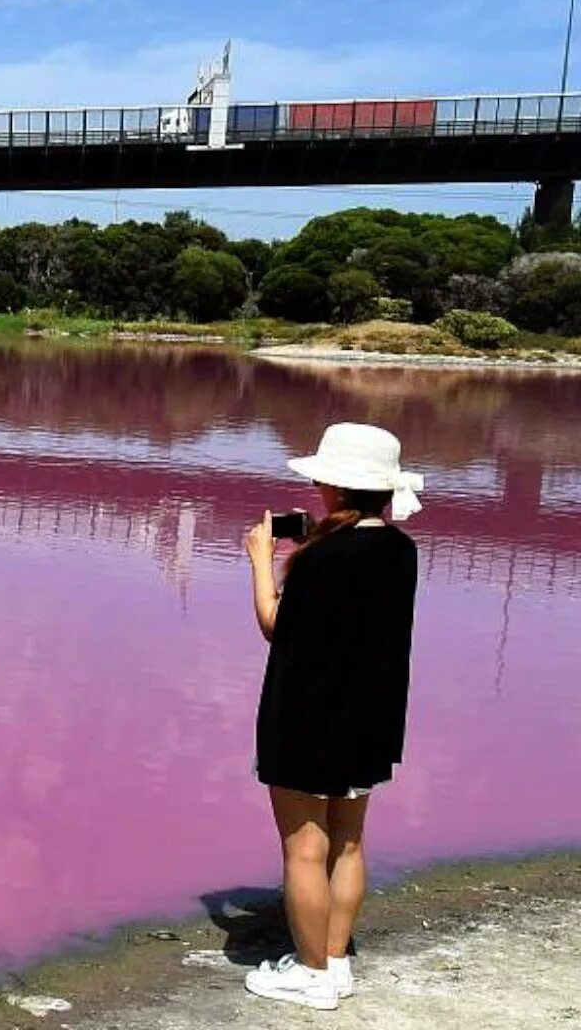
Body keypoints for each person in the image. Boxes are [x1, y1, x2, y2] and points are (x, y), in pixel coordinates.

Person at [241, 423, 424, 1011]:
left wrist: (262, 562)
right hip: (370, 721)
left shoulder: (322, 558)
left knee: (304, 849)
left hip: (307, 720)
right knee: (348, 842)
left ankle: (313, 974)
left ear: (335, 486)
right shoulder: (402, 550)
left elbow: (277, 625)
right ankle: (336, 959)